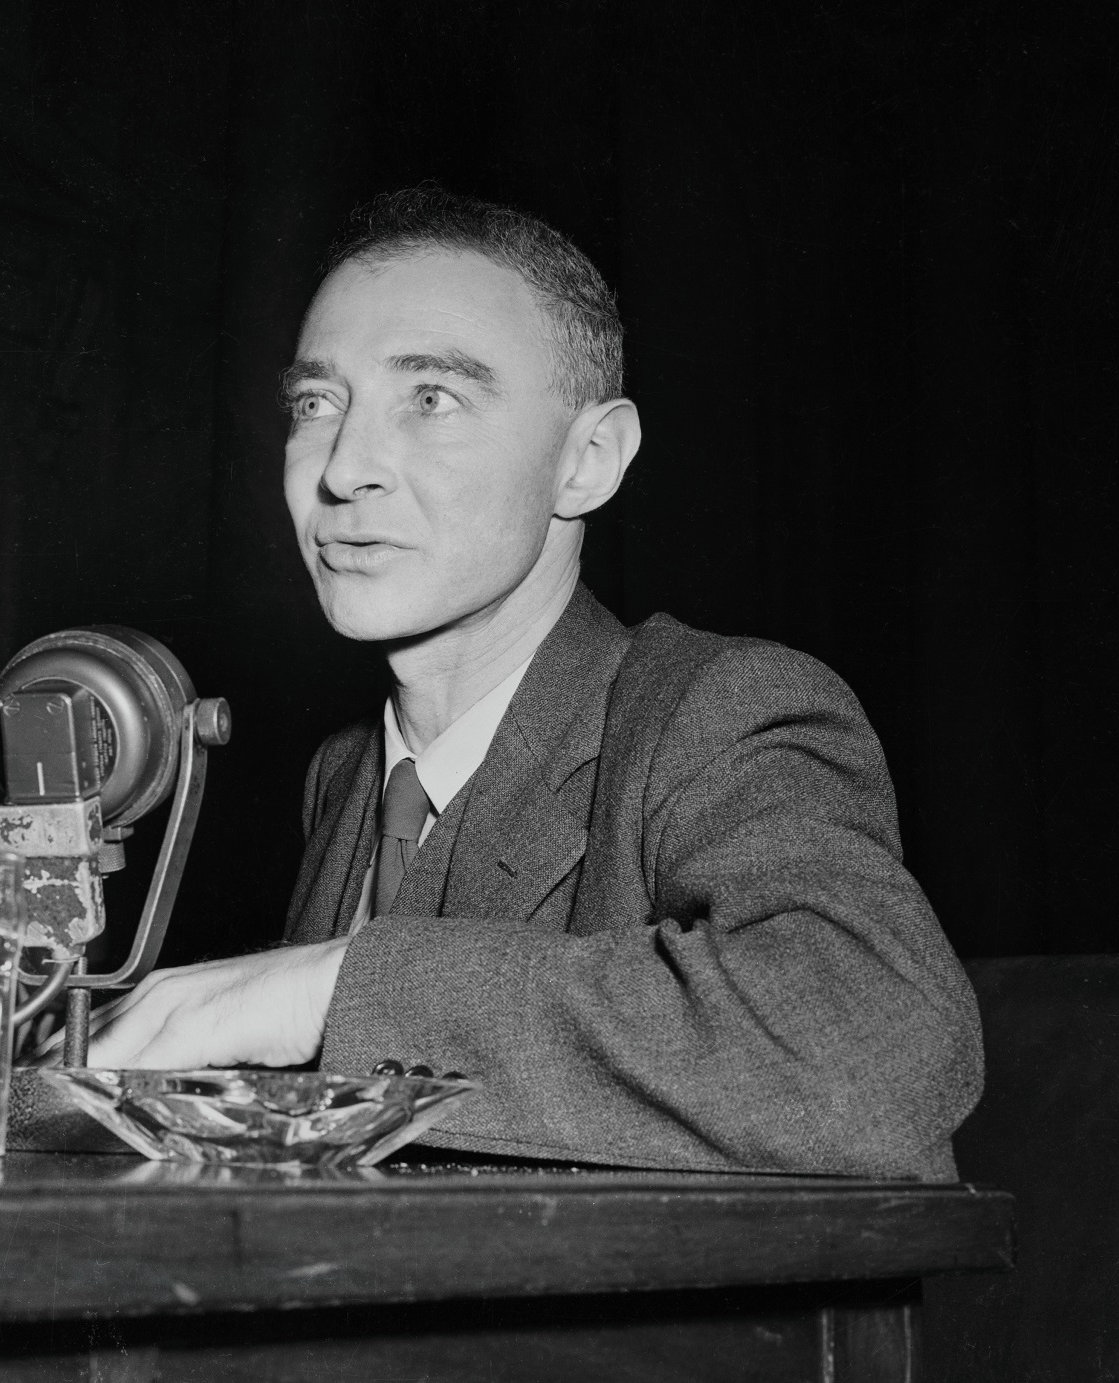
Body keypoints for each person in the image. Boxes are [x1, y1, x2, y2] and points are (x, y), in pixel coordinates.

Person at [85, 186, 983, 1180]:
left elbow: (878, 1055)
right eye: (316, 403)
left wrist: (329, 991)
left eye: (430, 398)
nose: (343, 469)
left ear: (588, 460)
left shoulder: (721, 710)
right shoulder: (344, 776)